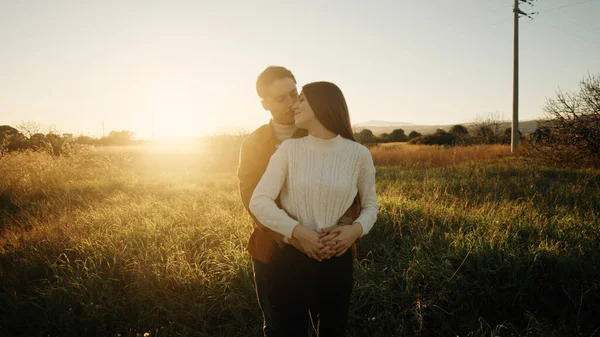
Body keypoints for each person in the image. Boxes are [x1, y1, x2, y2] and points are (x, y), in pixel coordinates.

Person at [237, 67, 361, 337]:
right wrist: (294, 236)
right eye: (281, 99)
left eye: (295, 93)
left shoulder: (324, 131)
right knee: (282, 329)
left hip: (329, 248)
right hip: (276, 250)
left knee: (331, 327)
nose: (292, 103)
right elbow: (251, 197)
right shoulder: (254, 143)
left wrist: (345, 226)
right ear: (264, 104)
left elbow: (354, 190)